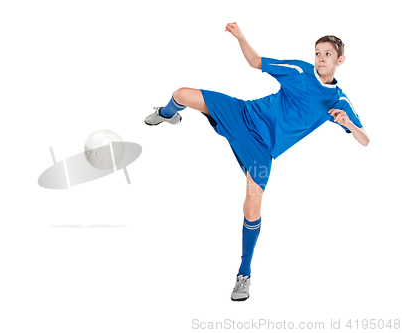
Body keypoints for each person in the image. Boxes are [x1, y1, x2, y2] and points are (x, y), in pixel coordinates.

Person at [144, 22, 370, 301]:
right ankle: (168, 114)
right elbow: (255, 62)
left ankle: (244, 274)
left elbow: (365, 140)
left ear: (340, 60)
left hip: (262, 150)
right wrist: (240, 36)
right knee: (181, 94)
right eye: (318, 53)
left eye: (327, 54)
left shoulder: (339, 101)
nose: (321, 59)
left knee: (252, 205)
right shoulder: (299, 71)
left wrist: (349, 123)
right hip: (243, 113)